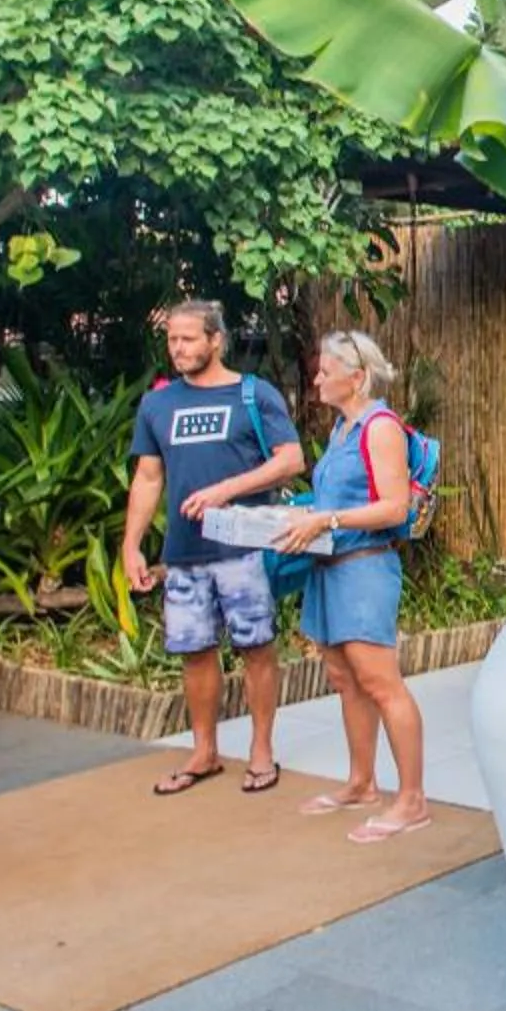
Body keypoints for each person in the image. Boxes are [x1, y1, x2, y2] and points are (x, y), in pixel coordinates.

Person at [122, 301, 307, 796]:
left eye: (187, 339)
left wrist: (228, 489)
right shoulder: (157, 405)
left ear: (215, 340)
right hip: (183, 554)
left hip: (244, 550)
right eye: (171, 340)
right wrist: (132, 546)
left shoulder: (253, 394)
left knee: (256, 648)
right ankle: (204, 752)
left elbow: (291, 459)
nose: (177, 348)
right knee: (195, 652)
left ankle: (261, 750)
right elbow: (147, 476)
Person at [273, 331, 432, 842]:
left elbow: (395, 507)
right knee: (344, 678)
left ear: (356, 377)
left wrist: (327, 520)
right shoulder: (344, 429)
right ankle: (361, 783)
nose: (316, 378)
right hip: (330, 570)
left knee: (382, 683)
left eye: (325, 371)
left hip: (363, 567)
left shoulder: (379, 427)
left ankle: (412, 801)